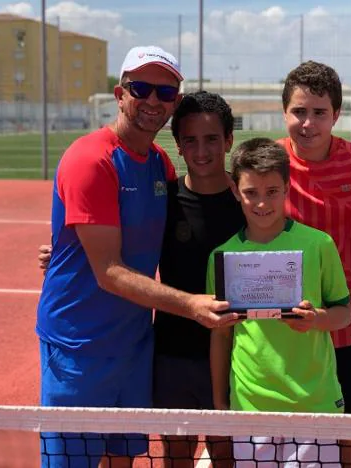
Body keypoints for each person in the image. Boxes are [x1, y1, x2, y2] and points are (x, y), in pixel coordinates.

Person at [36, 46, 236, 468]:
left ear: (175, 102)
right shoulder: (90, 159)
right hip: (79, 347)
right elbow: (108, 271)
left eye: (165, 92)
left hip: (135, 345)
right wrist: (191, 304)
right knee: (72, 461)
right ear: (120, 93)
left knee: (120, 458)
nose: (152, 101)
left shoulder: (159, 165)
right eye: (141, 88)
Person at [209, 138, 351, 467]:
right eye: (251, 192)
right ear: (235, 190)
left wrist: (316, 319)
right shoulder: (222, 256)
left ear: (287, 187)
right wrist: (220, 402)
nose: (262, 203)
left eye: (272, 191)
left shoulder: (319, 244)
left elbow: (343, 314)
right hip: (250, 404)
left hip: (314, 402)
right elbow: (221, 334)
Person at [153, 91, 244, 467]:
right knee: (176, 454)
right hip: (172, 354)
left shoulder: (248, 203)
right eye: (190, 140)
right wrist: (62, 257)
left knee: (226, 453)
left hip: (235, 357)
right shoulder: (163, 201)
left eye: (211, 139)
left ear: (228, 141)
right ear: (177, 146)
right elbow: (120, 253)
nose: (201, 150)